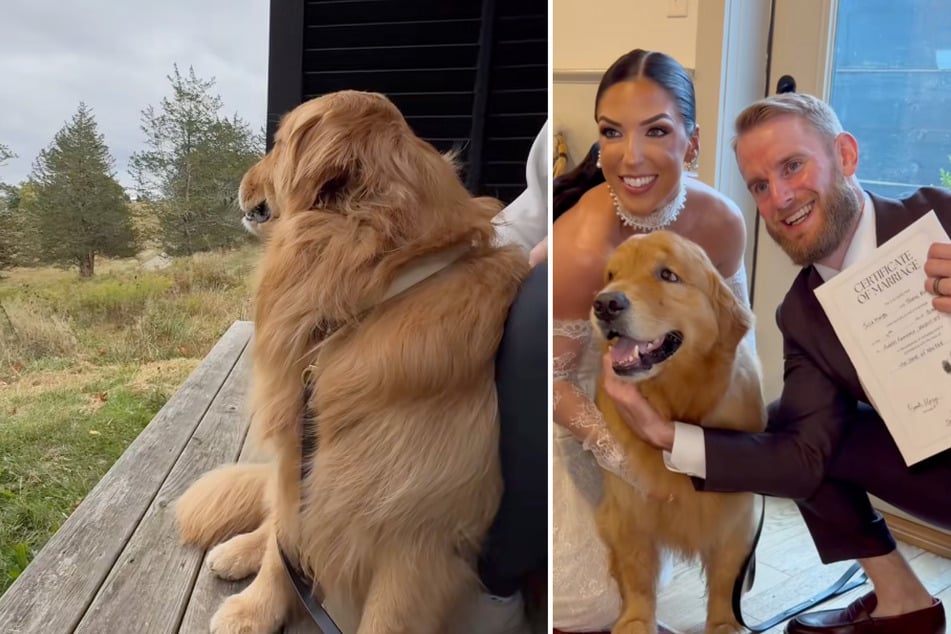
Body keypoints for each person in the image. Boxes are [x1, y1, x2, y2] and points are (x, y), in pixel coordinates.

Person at [603, 92, 951, 634]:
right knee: (792, 423)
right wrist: (665, 434)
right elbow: (799, 460)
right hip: (938, 472)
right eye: (760, 186)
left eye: (793, 166)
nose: (781, 197)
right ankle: (904, 602)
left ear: (847, 156)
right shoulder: (803, 314)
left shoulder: (941, 216)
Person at [551, 49, 751, 631]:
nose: (629, 156)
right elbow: (554, 385)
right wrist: (633, 466)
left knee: (728, 520)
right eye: (612, 133)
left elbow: (731, 337)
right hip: (589, 402)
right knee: (590, 606)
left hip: (691, 395)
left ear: (692, 143)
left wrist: (732, 452)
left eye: (656, 131)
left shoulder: (722, 222)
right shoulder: (583, 247)